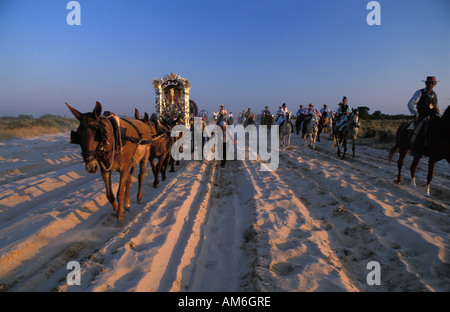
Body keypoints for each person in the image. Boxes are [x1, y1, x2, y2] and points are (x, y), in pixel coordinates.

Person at [408, 76, 440, 157]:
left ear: (435, 84)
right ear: (426, 83)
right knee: (419, 129)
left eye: (432, 83)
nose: (430, 84)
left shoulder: (435, 95)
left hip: (432, 116)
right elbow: (410, 104)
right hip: (422, 116)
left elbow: (436, 106)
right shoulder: (420, 92)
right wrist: (416, 114)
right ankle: (415, 148)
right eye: (429, 83)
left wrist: (437, 110)